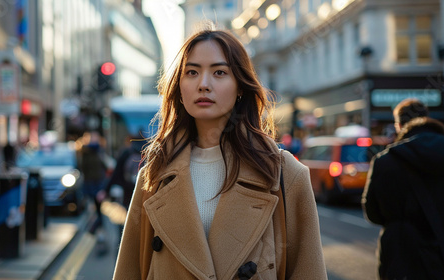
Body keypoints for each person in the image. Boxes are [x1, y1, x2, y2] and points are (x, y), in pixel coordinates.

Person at [112, 29, 326, 279]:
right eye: (192, 72)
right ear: (180, 88)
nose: (203, 84)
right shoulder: (155, 175)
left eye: (219, 73)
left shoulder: (284, 174)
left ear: (240, 88)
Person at [362, 98, 444, 279]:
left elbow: (372, 213)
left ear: (399, 125)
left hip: (401, 259)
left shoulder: (384, 162)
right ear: (427, 118)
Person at [79, 131, 108, 236]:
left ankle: (96, 228)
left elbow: (104, 166)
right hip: (91, 183)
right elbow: (83, 167)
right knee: (93, 208)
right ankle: (94, 228)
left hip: (99, 183)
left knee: (98, 208)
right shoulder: (86, 151)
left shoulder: (100, 150)